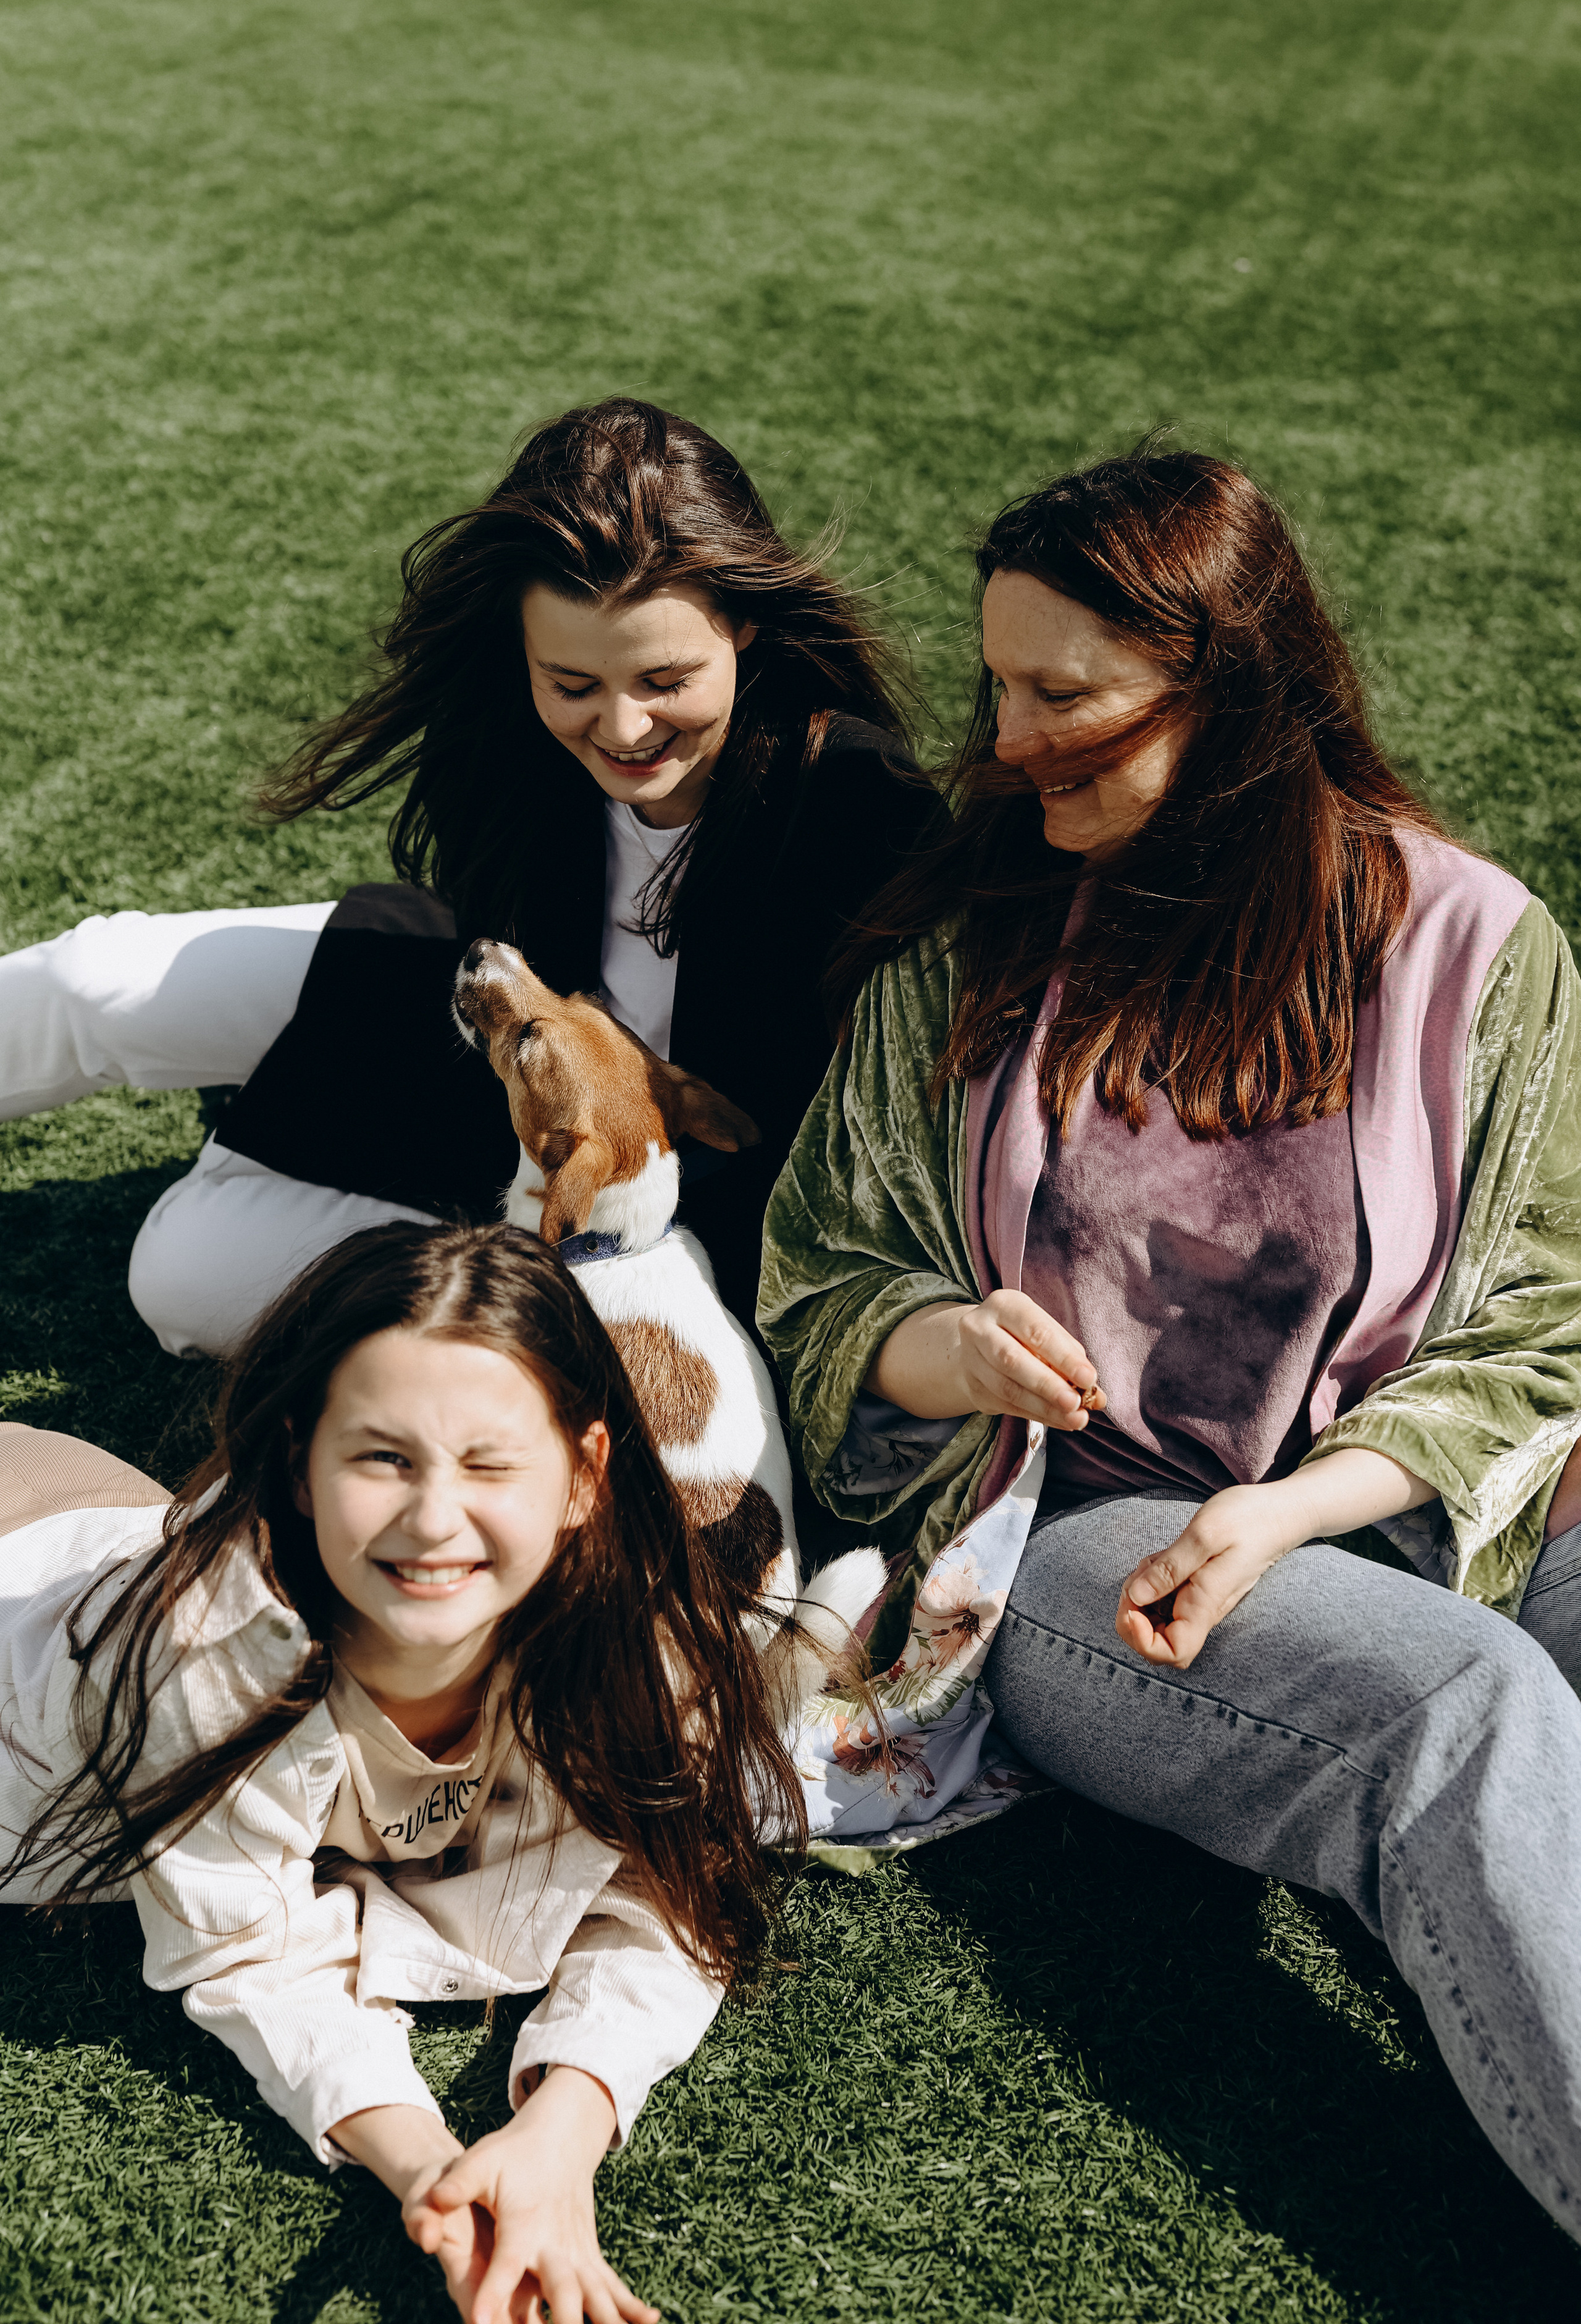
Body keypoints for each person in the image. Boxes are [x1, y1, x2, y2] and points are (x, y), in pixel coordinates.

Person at [758, 448, 1581, 2234]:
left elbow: (1540, 1316)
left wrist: (1302, 1507)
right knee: (1465, 1708)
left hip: (1423, 1489)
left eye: (1067, 696)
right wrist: (952, 1350)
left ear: (1232, 697)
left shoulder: (1467, 938)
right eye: (997, 682)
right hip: (1091, 1536)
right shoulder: (969, 947)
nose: (1007, 737)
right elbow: (820, 1278)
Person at [0, 398, 933, 1352]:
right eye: (572, 685)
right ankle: (256, 1106)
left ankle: (274, 1138)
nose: (621, 730)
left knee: (187, 1275)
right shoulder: (500, 737)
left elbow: (851, 1144)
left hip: (612, 1168)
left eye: (665, 682)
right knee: (92, 981)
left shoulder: (856, 801)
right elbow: (486, 930)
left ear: (742, 626)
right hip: (481, 1007)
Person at [0, 1220, 804, 2324]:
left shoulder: (641, 1641)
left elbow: (663, 1888)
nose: (435, 1521)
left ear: (584, 1476)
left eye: (489, 1463)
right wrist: (428, 2169)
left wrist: (558, 2142)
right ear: (300, 1462)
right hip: (36, 1594)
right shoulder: (206, 1655)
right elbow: (249, 1955)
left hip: (111, 1525)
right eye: (383, 1458)